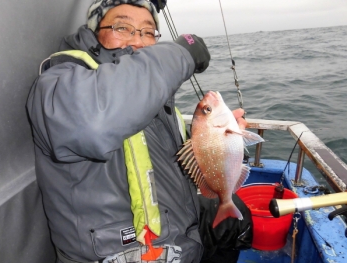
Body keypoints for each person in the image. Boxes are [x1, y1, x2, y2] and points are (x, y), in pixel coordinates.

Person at [26, 0, 248, 262]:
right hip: (116, 253)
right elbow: (93, 122)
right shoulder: (58, 81)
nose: (138, 41)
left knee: (236, 223)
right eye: (122, 27)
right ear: (94, 33)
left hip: (180, 241)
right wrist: (180, 54)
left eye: (148, 32)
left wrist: (221, 146)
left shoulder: (156, 99)